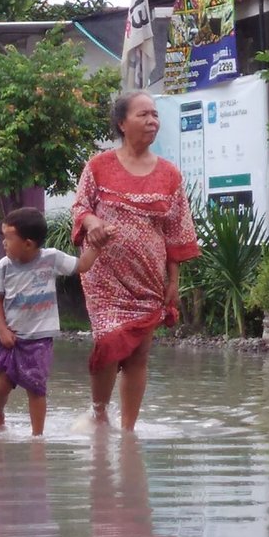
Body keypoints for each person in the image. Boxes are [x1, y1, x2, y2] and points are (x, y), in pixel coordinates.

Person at [71, 92, 199, 430]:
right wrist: (93, 223)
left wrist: (174, 283)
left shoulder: (170, 175)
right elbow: (81, 208)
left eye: (155, 115)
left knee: (139, 353)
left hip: (149, 279)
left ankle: (128, 430)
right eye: (143, 114)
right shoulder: (98, 165)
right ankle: (99, 413)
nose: (152, 121)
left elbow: (176, 233)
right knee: (109, 342)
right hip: (104, 276)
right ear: (121, 123)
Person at [0, 205, 108, 434]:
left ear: (28, 244)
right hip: (11, 338)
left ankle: (37, 436)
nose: (4, 243)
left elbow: (82, 266)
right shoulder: (3, 266)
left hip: (40, 340)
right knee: (0, 387)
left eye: (8, 238)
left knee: (36, 388)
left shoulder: (51, 258)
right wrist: (2, 330)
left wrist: (97, 246)